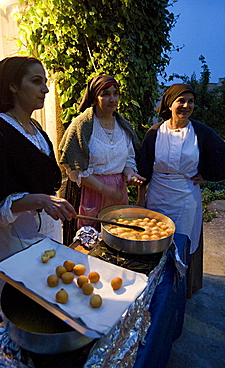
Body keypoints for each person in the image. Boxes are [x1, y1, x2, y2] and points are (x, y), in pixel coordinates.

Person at [0, 56, 76, 304]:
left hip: (50, 232)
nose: (45, 89)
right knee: (21, 305)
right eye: (36, 81)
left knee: (51, 298)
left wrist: (50, 200)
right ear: (12, 86)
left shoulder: (37, 131)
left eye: (45, 82)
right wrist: (40, 200)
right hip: (18, 240)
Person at [137, 83, 225, 298]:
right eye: (181, 101)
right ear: (170, 103)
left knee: (182, 244)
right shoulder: (155, 132)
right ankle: (152, 289)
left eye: (191, 102)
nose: (186, 106)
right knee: (154, 240)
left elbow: (222, 154)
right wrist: (141, 199)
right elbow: (144, 169)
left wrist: (208, 175)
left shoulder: (201, 132)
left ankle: (179, 291)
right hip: (157, 195)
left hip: (186, 196)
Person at [59, 75, 145, 245]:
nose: (112, 99)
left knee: (117, 236)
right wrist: (104, 189)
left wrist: (130, 175)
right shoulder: (82, 126)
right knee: (86, 242)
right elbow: (75, 169)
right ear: (94, 97)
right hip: (88, 192)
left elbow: (128, 159)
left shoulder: (123, 127)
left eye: (115, 94)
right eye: (105, 94)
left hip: (117, 192)